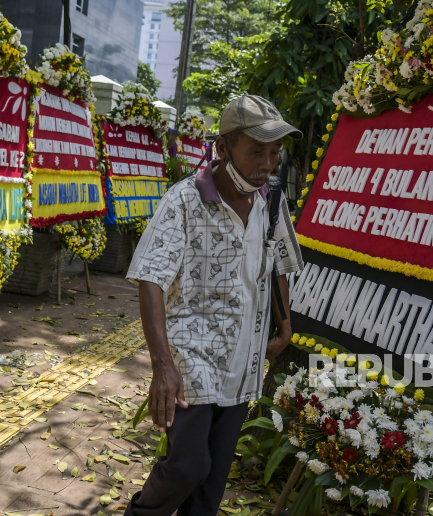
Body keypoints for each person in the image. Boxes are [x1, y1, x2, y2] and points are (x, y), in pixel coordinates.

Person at [124, 95, 305, 516]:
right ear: (222, 148)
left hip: (243, 359)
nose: (267, 163)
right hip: (192, 357)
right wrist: (162, 366)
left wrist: (284, 326)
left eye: (274, 152)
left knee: (212, 482)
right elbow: (150, 278)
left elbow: (279, 262)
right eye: (256, 151)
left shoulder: (271, 200)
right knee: (188, 465)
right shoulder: (184, 201)